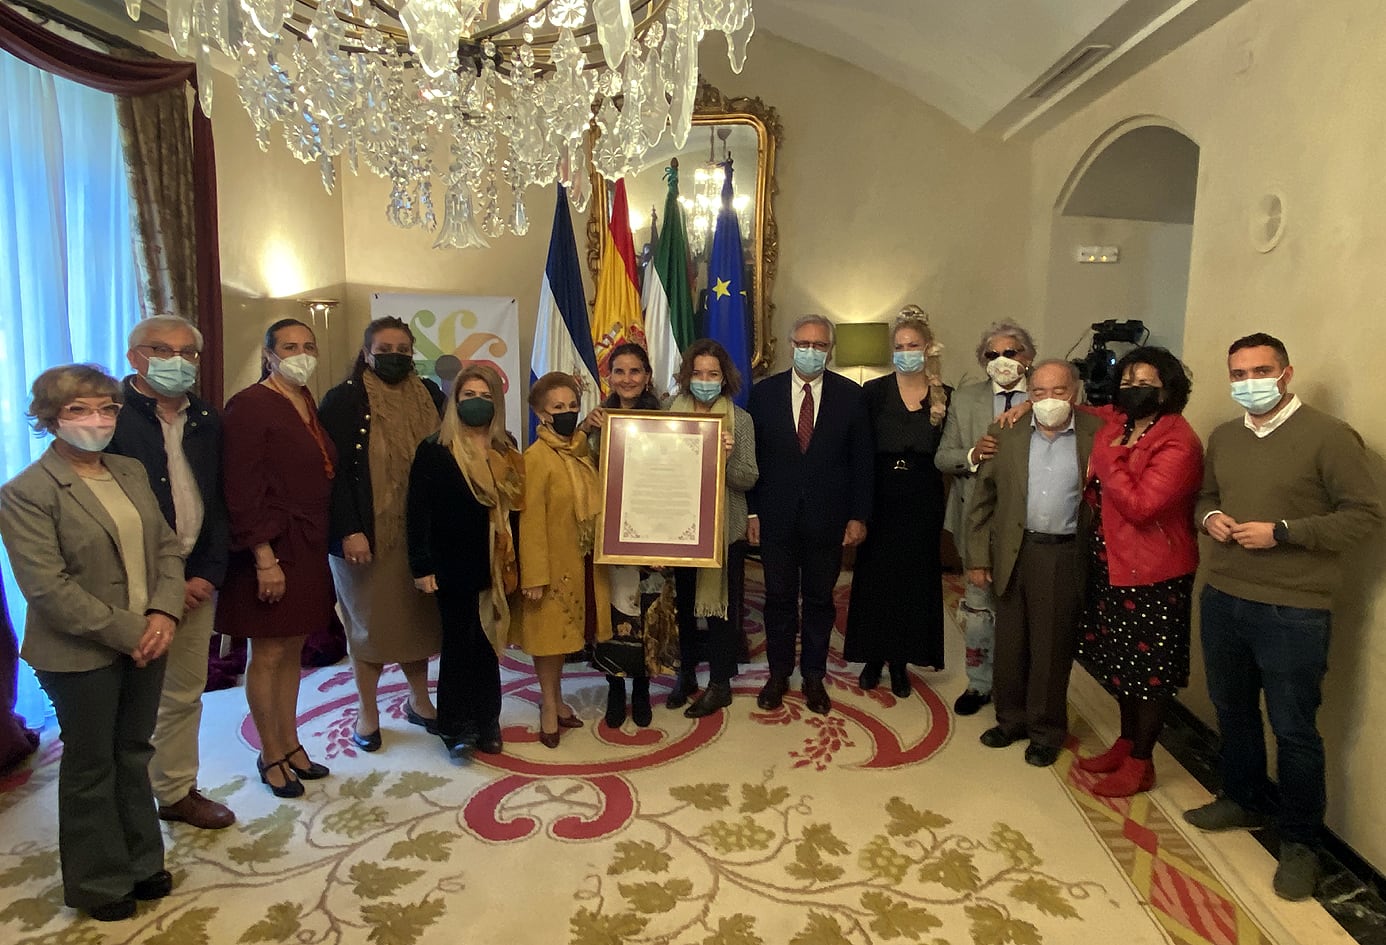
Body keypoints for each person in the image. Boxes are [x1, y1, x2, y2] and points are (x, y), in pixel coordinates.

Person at [1184, 333, 1382, 901]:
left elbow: (1365, 515)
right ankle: (1241, 798)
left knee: (1295, 730)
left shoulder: (1329, 437)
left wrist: (1286, 533)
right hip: (1223, 594)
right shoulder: (1224, 436)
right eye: (1238, 374)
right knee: (1233, 708)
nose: (1249, 383)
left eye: (1260, 371)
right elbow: (1203, 498)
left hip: (1294, 608)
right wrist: (1211, 518)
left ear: (1286, 373)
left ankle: (1300, 843)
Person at [0, 365, 184, 921]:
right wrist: (137, 631)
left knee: (133, 751)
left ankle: (141, 861)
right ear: (50, 418)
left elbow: (167, 550)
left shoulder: (128, 470)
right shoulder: (26, 492)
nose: (97, 420)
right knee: (91, 765)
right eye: (80, 410)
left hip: (150, 636)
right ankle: (98, 883)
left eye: (106, 407)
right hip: (80, 653)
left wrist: (163, 613)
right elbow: (48, 589)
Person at [105, 315, 235, 830]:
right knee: (125, 699)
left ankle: (176, 791)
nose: (176, 361)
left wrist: (204, 574)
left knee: (183, 692)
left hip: (195, 578)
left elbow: (219, 502)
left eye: (187, 353)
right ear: (135, 356)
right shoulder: (108, 418)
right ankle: (122, 802)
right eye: (161, 350)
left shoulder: (207, 417)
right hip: (127, 583)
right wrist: (163, 587)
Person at [1071, 347, 1202, 796]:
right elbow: (1086, 407)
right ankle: (1126, 742)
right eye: (1127, 382)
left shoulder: (1178, 440)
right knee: (1119, 664)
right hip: (1110, 567)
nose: (1133, 390)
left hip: (1153, 576)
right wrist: (1035, 401)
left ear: (1168, 388)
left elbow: (1143, 507)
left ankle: (1142, 761)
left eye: (1144, 382)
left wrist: (1106, 460)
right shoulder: (1123, 424)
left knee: (1149, 671)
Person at [217, 319, 337, 797]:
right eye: (290, 347)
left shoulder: (305, 399)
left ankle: (290, 744)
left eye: (309, 346)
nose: (301, 354)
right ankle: (269, 754)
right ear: (269, 354)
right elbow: (240, 489)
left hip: (305, 543)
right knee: (266, 652)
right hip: (267, 545)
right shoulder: (248, 407)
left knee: (292, 649)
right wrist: (264, 556)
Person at [965, 359, 1101, 767]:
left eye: (1058, 391)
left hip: (1063, 552)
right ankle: (1010, 721)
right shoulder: (1004, 432)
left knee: (1051, 646)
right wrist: (977, 556)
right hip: (1013, 549)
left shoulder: (1098, 434)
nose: (1047, 400)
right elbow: (983, 501)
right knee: (1010, 641)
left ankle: (1045, 730)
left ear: (1074, 392)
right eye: (1037, 393)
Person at [320, 317, 445, 753]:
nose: (394, 355)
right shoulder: (343, 400)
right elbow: (330, 475)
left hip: (419, 535)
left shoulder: (432, 395)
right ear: (367, 352)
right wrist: (349, 530)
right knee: (369, 627)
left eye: (402, 348)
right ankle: (367, 711)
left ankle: (419, 699)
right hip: (366, 539)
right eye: (384, 348)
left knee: (415, 622)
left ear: (413, 352)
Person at [747, 314, 873, 715]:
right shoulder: (763, 394)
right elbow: (752, 459)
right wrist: (751, 514)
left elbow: (862, 463)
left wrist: (858, 516)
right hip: (776, 518)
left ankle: (814, 676)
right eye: (805, 343)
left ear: (830, 351)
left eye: (820, 346)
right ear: (790, 345)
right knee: (779, 599)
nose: (811, 351)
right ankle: (779, 674)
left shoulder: (851, 396)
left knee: (820, 600)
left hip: (828, 519)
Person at [408, 364, 524, 757]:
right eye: (468, 396)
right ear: (455, 402)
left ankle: (488, 721)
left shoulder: (505, 448)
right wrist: (421, 567)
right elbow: (417, 512)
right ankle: (456, 726)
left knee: (489, 646)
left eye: (485, 396)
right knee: (459, 647)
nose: (477, 403)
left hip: (494, 565)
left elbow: (517, 509)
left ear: (497, 402)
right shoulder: (434, 450)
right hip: (450, 567)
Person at [844, 306, 949, 698]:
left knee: (913, 582)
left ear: (927, 349)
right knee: (875, 582)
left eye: (914, 345)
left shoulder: (944, 397)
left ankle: (902, 661)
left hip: (921, 501)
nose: (907, 351)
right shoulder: (872, 393)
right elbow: (859, 451)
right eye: (900, 345)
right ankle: (873, 657)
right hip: (880, 496)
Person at [935, 321, 1036, 717]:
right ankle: (979, 683)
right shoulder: (966, 400)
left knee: (1019, 607)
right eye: (992, 355)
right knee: (977, 609)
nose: (1002, 361)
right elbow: (943, 457)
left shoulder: (1044, 399)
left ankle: (1017, 685)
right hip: (974, 520)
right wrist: (973, 455)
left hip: (1028, 524)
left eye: (1010, 353)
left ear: (1027, 358)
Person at [579, 343, 675, 728]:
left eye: (635, 371)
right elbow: (579, 470)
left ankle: (642, 688)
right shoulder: (599, 421)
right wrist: (586, 429)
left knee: (650, 612)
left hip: (655, 533)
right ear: (609, 376)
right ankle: (616, 687)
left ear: (648, 376)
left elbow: (676, 477)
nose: (628, 379)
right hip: (612, 534)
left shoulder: (668, 419)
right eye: (619, 371)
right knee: (618, 612)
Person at [519, 372, 612, 747]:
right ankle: (547, 704)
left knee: (567, 636)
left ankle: (558, 702)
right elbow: (530, 522)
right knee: (548, 640)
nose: (567, 413)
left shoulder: (581, 450)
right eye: (558, 407)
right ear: (541, 414)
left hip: (583, 559)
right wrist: (535, 575)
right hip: (552, 565)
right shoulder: (535, 458)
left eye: (572, 406)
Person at [669, 339, 759, 718]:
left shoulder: (740, 420)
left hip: (724, 529)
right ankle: (685, 673)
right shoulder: (668, 415)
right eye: (698, 373)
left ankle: (719, 683)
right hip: (678, 527)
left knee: (721, 610)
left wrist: (724, 458)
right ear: (687, 377)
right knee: (684, 607)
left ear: (725, 380)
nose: (705, 380)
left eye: (713, 374)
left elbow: (748, 478)